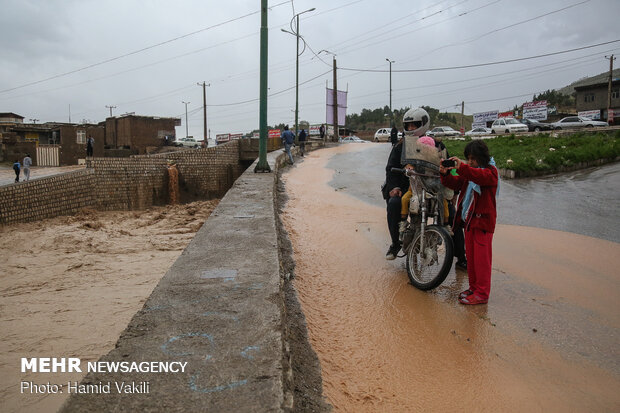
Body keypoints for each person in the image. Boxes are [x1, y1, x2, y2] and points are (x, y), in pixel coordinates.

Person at [440, 140, 499, 305]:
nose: (470, 161)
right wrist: (445, 174)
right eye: (468, 158)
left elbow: (479, 177)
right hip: (470, 222)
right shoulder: (470, 174)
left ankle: (482, 294)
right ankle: (474, 288)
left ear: (482, 157)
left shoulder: (490, 172)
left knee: (482, 261)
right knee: (472, 259)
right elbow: (455, 183)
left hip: (483, 224)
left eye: (473, 158)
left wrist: (463, 167)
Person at [384, 107, 430, 260]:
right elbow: (390, 169)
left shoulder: (435, 144)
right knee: (393, 204)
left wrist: (454, 191)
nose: (411, 129)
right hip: (406, 189)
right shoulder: (399, 147)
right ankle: (395, 243)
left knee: (450, 210)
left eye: (414, 125)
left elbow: (448, 167)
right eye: (408, 126)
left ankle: (459, 254)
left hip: (429, 190)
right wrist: (394, 187)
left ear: (423, 124)